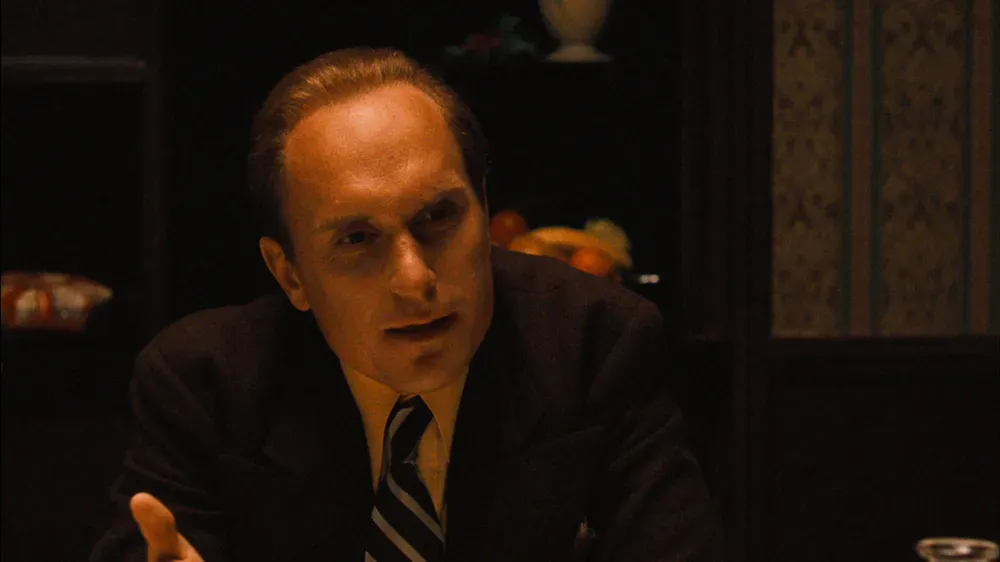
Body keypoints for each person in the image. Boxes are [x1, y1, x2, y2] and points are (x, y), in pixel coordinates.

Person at [90, 47, 722, 562]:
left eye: (439, 217)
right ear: (290, 275)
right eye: (357, 239)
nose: (415, 278)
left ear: (483, 206)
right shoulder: (203, 382)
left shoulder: (596, 340)